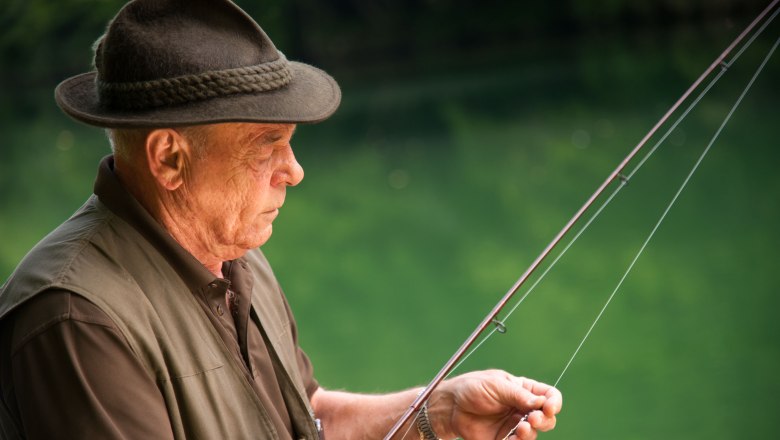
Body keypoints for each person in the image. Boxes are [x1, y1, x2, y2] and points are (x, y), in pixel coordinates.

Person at [0, 0, 562, 439]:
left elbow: (306, 420)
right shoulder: (76, 318)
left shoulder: (235, 251)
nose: (293, 171)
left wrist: (439, 411)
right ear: (169, 158)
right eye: (267, 145)